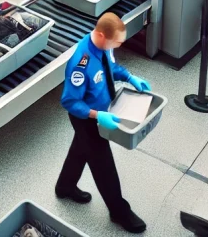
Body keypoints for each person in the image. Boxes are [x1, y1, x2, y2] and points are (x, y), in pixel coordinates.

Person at [56, 12, 149, 234]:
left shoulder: (104, 47)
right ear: (100, 34)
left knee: (80, 150)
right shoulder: (81, 62)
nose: (119, 44)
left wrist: (129, 77)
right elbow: (69, 101)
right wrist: (98, 116)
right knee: (103, 164)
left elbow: (110, 69)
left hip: (101, 110)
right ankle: (119, 211)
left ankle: (65, 186)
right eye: (117, 41)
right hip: (87, 119)